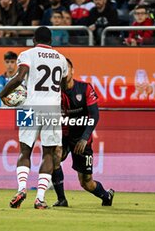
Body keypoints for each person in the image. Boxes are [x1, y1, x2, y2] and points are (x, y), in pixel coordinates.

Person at [0, 26, 68, 209]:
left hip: (29, 107)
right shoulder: (61, 59)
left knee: (25, 150)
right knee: (48, 153)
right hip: (52, 108)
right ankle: (40, 198)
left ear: (34, 40)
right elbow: (63, 84)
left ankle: (21, 189)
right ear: (51, 41)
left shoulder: (27, 54)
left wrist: (3, 93)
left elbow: (20, 77)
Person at [51, 58, 114, 207]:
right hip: (63, 136)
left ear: (72, 71)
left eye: (66, 69)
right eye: (61, 70)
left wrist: (85, 138)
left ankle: (106, 195)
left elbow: (95, 115)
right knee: (55, 157)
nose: (64, 72)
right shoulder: (53, 92)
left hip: (82, 139)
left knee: (86, 182)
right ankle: (62, 199)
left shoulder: (85, 88)